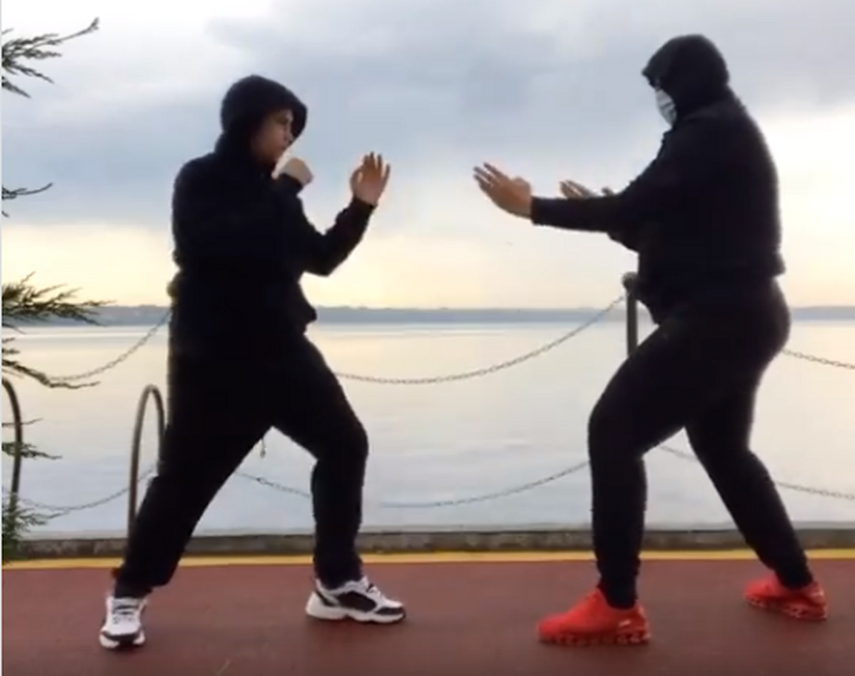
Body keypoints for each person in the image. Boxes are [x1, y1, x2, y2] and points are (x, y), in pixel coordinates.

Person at [473, 34, 828, 646]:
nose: (659, 98)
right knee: (722, 449)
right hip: (747, 315)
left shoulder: (707, 132)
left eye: (661, 86)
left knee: (612, 431)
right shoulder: (720, 133)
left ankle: (616, 604)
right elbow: (666, 227)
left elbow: (637, 206)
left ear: (683, 83)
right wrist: (612, 214)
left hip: (718, 319)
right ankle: (795, 583)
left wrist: (532, 207)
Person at [99, 75, 405, 650]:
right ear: (248, 121)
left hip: (282, 352)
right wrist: (285, 189)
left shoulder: (275, 196)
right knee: (184, 480)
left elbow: (320, 258)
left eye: (293, 126)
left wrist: (360, 207)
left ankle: (337, 582)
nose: (289, 135)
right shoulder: (201, 179)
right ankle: (128, 593)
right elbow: (213, 243)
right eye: (281, 123)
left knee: (345, 445)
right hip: (212, 357)